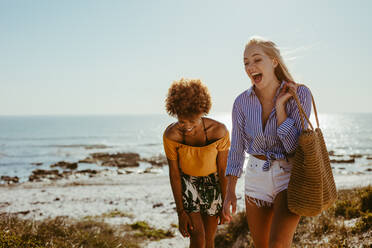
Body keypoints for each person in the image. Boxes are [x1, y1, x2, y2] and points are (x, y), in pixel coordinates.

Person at [222, 37, 312, 248]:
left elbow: (294, 148)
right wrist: (229, 192)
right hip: (255, 178)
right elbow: (236, 148)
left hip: (288, 176)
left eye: (256, 60)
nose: (250, 67)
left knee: (278, 244)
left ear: (273, 62)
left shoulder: (299, 94)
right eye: (246, 63)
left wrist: (281, 109)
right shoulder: (241, 102)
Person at [163, 78, 230, 248]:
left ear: (202, 111)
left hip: (213, 185)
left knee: (209, 240)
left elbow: (223, 171)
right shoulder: (171, 135)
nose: (186, 126)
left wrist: (225, 203)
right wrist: (180, 212)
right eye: (181, 121)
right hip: (188, 185)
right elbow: (175, 175)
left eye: (192, 121)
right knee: (198, 237)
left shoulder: (219, 131)